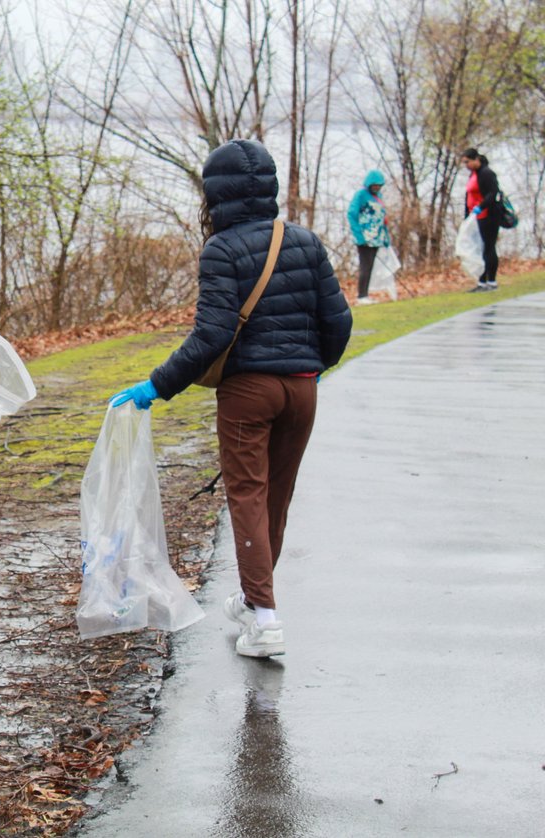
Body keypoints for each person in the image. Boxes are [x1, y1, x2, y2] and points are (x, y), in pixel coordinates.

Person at [110, 139, 352, 659]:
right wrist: (310, 368)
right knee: (276, 500)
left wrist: (157, 385)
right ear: (268, 187)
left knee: (247, 497)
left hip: (249, 391)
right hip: (302, 388)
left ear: (215, 194)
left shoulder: (221, 249)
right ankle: (251, 600)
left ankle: (264, 621)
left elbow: (212, 336)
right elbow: (340, 322)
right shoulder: (306, 242)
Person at [346, 169, 391, 305]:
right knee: (365, 266)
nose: (377, 187)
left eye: (379, 185)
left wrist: (386, 236)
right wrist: (359, 235)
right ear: (369, 184)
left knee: (370, 266)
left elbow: (382, 218)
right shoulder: (361, 195)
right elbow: (352, 214)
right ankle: (361, 295)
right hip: (365, 238)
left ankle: (365, 294)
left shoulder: (379, 197)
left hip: (377, 238)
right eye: (375, 185)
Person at [461, 148, 503, 291]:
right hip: (476, 216)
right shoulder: (474, 175)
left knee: (488, 247)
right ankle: (481, 281)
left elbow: (493, 193)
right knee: (479, 249)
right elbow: (469, 195)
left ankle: (491, 281)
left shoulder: (486, 173)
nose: (466, 165)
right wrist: (467, 214)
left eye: (467, 162)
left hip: (489, 215)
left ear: (475, 160)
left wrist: (481, 206)